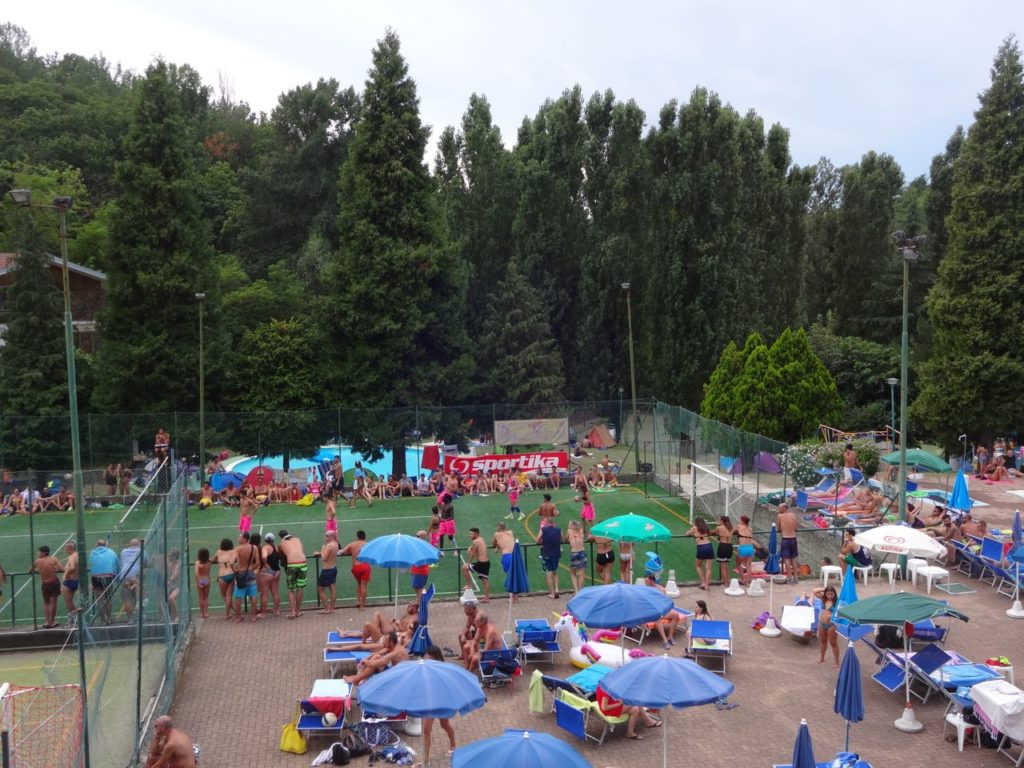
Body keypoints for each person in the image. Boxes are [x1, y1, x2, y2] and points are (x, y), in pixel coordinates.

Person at [421, 646, 458, 764]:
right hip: (428, 702)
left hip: (441, 701)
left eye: (429, 658)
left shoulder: (443, 670)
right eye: (426, 657)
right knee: (426, 729)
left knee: (444, 725)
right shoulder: (424, 668)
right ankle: (426, 759)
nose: (427, 660)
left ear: (436, 658)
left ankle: (453, 745)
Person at [343, 630, 409, 685]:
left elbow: (375, 664)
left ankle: (357, 680)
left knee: (374, 662)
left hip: (399, 676)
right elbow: (378, 653)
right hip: (397, 670)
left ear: (391, 642)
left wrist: (365, 661)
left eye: (385, 640)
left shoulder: (394, 653)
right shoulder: (394, 646)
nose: (383, 642)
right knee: (377, 657)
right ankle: (359, 677)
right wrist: (367, 658)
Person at [595, 685, 661, 739]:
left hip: (615, 705)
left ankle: (630, 733)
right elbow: (604, 708)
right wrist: (618, 704)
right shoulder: (606, 690)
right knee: (636, 702)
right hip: (610, 710)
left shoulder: (604, 686)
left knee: (635, 710)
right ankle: (648, 721)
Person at [277, 530, 307, 619]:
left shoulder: (281, 544)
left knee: (291, 589)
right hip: (303, 563)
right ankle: (298, 611)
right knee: (300, 587)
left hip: (292, 565)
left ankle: (293, 612)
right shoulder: (297, 539)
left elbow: (280, 554)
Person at [89, 539, 119, 625]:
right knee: (108, 599)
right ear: (105, 545)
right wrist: (116, 577)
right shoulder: (111, 552)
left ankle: (102, 620)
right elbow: (117, 565)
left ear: (96, 545)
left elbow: (91, 564)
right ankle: (109, 619)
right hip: (108, 577)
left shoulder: (92, 553)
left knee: (100, 600)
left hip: (96, 577)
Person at [232, 532, 261, 623]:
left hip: (241, 572)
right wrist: (252, 567)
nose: (238, 538)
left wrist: (235, 570)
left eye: (240, 537)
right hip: (250, 572)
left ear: (245, 538)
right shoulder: (254, 548)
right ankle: (253, 617)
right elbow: (258, 562)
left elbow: (231, 562)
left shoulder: (237, 549)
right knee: (253, 595)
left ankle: (238, 617)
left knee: (238, 596)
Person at [32, 545, 63, 628]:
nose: (38, 553)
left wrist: (38, 570)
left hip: (45, 584)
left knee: (46, 602)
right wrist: (55, 569)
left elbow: (30, 570)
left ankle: (47, 621)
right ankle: (52, 622)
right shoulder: (54, 559)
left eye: (39, 552)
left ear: (44, 553)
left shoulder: (37, 561)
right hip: (53, 582)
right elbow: (61, 569)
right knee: (53, 602)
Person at [813, 584, 841, 667]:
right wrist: (824, 589)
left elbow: (840, 613)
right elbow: (814, 591)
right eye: (828, 594)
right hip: (822, 624)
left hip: (831, 625)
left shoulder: (837, 601)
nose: (829, 596)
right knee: (823, 642)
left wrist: (832, 616)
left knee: (833, 643)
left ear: (834, 594)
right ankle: (822, 658)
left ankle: (837, 662)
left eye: (831, 594)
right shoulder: (823, 599)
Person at [341, 530, 370, 609]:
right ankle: (362, 606)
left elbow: (342, 551)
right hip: (365, 566)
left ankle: (358, 601)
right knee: (364, 586)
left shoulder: (353, 544)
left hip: (356, 567)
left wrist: (351, 552)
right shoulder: (368, 545)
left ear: (357, 537)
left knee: (359, 584)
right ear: (364, 537)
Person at [537, 520, 563, 599]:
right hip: (556, 554)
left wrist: (542, 541)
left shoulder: (543, 529)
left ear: (547, 524)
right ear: (554, 523)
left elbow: (538, 540)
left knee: (548, 573)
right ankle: (557, 589)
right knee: (555, 571)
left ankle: (552, 593)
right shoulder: (559, 530)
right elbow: (563, 539)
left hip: (547, 554)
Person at [463, 528, 491, 602]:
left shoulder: (475, 541)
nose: (470, 535)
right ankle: (487, 598)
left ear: (476, 534)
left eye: (471, 534)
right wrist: (471, 547)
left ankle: (469, 585)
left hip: (481, 564)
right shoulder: (481, 539)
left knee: (464, 568)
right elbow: (477, 547)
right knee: (485, 580)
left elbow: (472, 554)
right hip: (486, 563)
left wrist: (468, 563)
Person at [686, 517, 713, 590]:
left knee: (698, 565)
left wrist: (693, 528)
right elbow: (709, 534)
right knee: (708, 568)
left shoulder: (695, 528)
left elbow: (687, 533)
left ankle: (703, 582)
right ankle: (707, 586)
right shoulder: (706, 527)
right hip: (709, 546)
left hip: (701, 547)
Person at [120, 538, 143, 621]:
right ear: (138, 545)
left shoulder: (123, 552)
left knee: (127, 599)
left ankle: (130, 620)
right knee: (140, 597)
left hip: (125, 576)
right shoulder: (141, 550)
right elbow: (145, 562)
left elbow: (122, 563)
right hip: (135, 577)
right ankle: (140, 617)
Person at [776, 503, 800, 584]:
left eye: (779, 508)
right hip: (793, 538)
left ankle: (790, 577)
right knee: (793, 558)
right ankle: (796, 577)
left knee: (787, 559)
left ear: (784, 508)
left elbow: (778, 528)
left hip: (785, 539)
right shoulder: (793, 515)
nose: (778, 509)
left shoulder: (780, 516)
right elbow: (796, 527)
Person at [260, 533, 282, 617]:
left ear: (265, 540)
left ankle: (263, 613)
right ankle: (277, 611)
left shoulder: (265, 547)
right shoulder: (276, 547)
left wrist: (266, 565)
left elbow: (264, 557)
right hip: (277, 571)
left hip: (268, 572)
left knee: (265, 594)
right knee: (275, 592)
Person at [318, 531, 340, 613]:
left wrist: (322, 548)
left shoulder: (329, 546)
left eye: (327, 536)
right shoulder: (336, 544)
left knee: (320, 589)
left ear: (331, 537)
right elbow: (329, 554)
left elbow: (324, 558)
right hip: (333, 568)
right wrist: (320, 553)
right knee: (332, 589)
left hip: (327, 570)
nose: (325, 537)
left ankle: (326, 609)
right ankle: (332, 608)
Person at [60, 541, 80, 619]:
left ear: (70, 548)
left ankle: (73, 619)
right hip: (75, 581)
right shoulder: (78, 555)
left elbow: (72, 568)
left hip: (68, 582)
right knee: (70, 602)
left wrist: (67, 575)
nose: (65, 549)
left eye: (66, 547)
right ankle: (75, 618)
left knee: (68, 602)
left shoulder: (71, 556)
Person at [713, 515, 734, 585]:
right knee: (726, 565)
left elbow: (710, 532)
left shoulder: (719, 528)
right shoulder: (731, 528)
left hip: (723, 546)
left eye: (720, 520)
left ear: (722, 521)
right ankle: (727, 580)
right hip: (730, 546)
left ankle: (725, 583)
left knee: (723, 566)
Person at [735, 515, 756, 585]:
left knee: (738, 564)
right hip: (750, 547)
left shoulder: (739, 526)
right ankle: (747, 581)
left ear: (743, 521)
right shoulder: (750, 528)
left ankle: (743, 579)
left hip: (743, 547)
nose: (739, 521)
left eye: (740, 520)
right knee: (748, 565)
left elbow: (733, 531)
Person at [410, 530, 431, 599]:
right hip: (421, 570)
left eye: (417, 536)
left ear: (422, 537)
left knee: (418, 588)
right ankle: (421, 602)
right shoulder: (425, 545)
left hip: (419, 571)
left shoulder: (420, 546)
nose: (415, 537)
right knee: (419, 587)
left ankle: (419, 603)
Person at [567, 520, 586, 593]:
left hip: (574, 553)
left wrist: (569, 527)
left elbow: (566, 538)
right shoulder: (581, 531)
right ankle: (580, 590)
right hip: (581, 552)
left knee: (573, 573)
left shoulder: (569, 531)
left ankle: (576, 591)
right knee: (581, 573)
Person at [194, 548, 211, 619]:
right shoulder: (209, 562)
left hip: (200, 579)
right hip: (207, 580)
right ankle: (206, 612)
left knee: (201, 597)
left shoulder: (197, 563)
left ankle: (202, 613)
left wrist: (198, 583)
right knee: (206, 597)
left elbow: (196, 574)